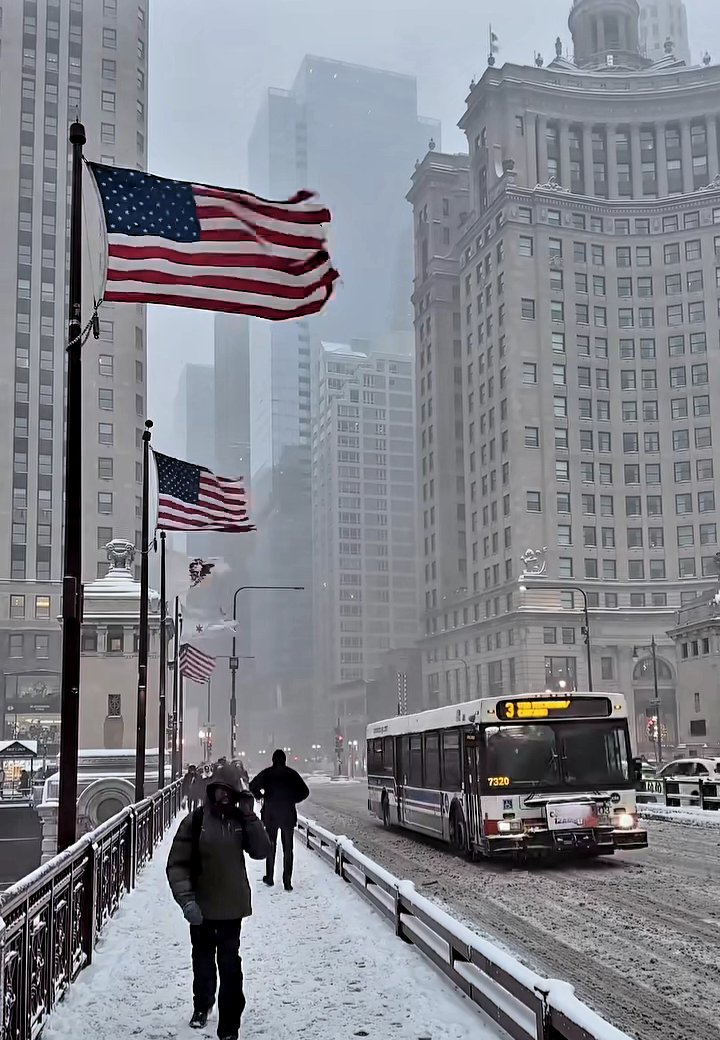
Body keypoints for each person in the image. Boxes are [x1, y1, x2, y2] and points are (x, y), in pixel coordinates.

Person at [167, 763, 271, 1040]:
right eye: (218, 793)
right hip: (201, 907)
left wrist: (251, 817)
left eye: (228, 794)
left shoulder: (240, 821)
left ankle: (229, 1025)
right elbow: (177, 864)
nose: (223, 799)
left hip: (230, 908)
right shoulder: (196, 821)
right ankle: (202, 1005)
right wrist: (186, 900)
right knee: (202, 960)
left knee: (229, 965)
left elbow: (261, 851)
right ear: (210, 793)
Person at [249, 749, 309, 892]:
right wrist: (293, 799)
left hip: (271, 815)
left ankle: (269, 877)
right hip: (287, 814)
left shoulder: (267, 774)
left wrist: (261, 796)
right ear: (284, 760)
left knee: (271, 846)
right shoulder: (291, 774)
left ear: (273, 760)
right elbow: (305, 791)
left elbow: (252, 786)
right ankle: (287, 881)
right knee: (288, 849)